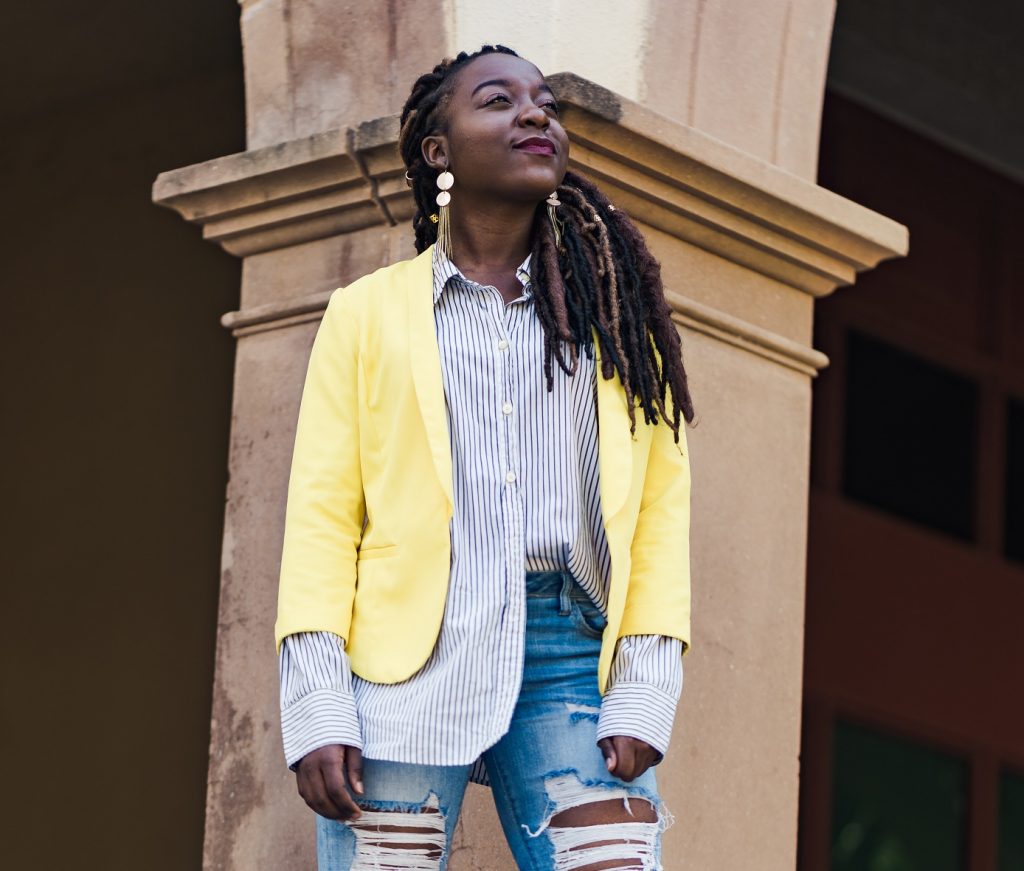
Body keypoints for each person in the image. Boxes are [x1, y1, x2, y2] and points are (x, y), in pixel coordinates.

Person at [275, 44, 695, 871]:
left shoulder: (615, 318)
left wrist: (648, 685)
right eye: (500, 100)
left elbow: (659, 513)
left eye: (544, 103)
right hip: (403, 664)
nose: (535, 114)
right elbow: (324, 517)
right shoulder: (366, 316)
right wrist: (317, 702)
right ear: (439, 150)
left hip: (572, 653)